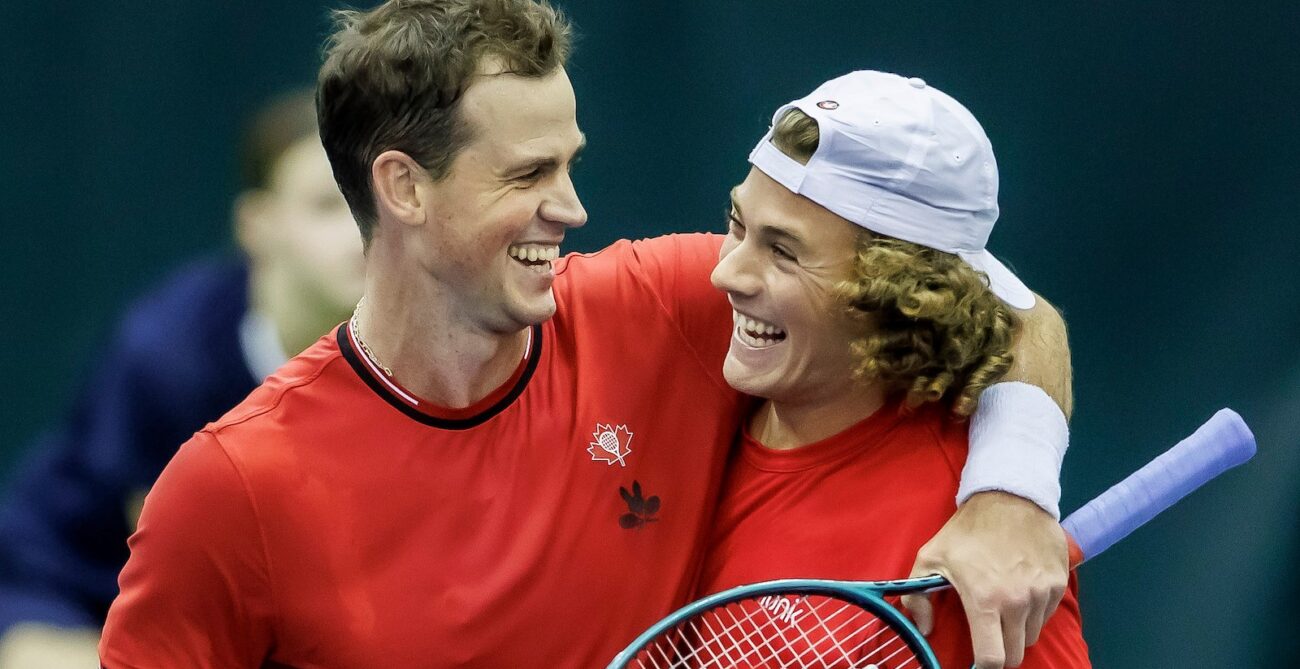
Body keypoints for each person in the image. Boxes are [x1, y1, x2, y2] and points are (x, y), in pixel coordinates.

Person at [99, 2, 1073, 667]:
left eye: (569, 164)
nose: (570, 208)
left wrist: (1011, 496)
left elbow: (1008, 311)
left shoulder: (672, 306)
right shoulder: (229, 492)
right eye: (527, 177)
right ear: (402, 187)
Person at [696, 71, 1088, 667]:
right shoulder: (675, 348)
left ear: (894, 294)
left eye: (783, 251)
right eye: (738, 224)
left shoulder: (981, 559)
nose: (725, 274)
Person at [0, 89, 364, 667]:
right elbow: (46, 558)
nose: (360, 229)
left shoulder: (443, 361)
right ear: (257, 225)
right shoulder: (166, 360)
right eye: (326, 205)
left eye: (375, 197)